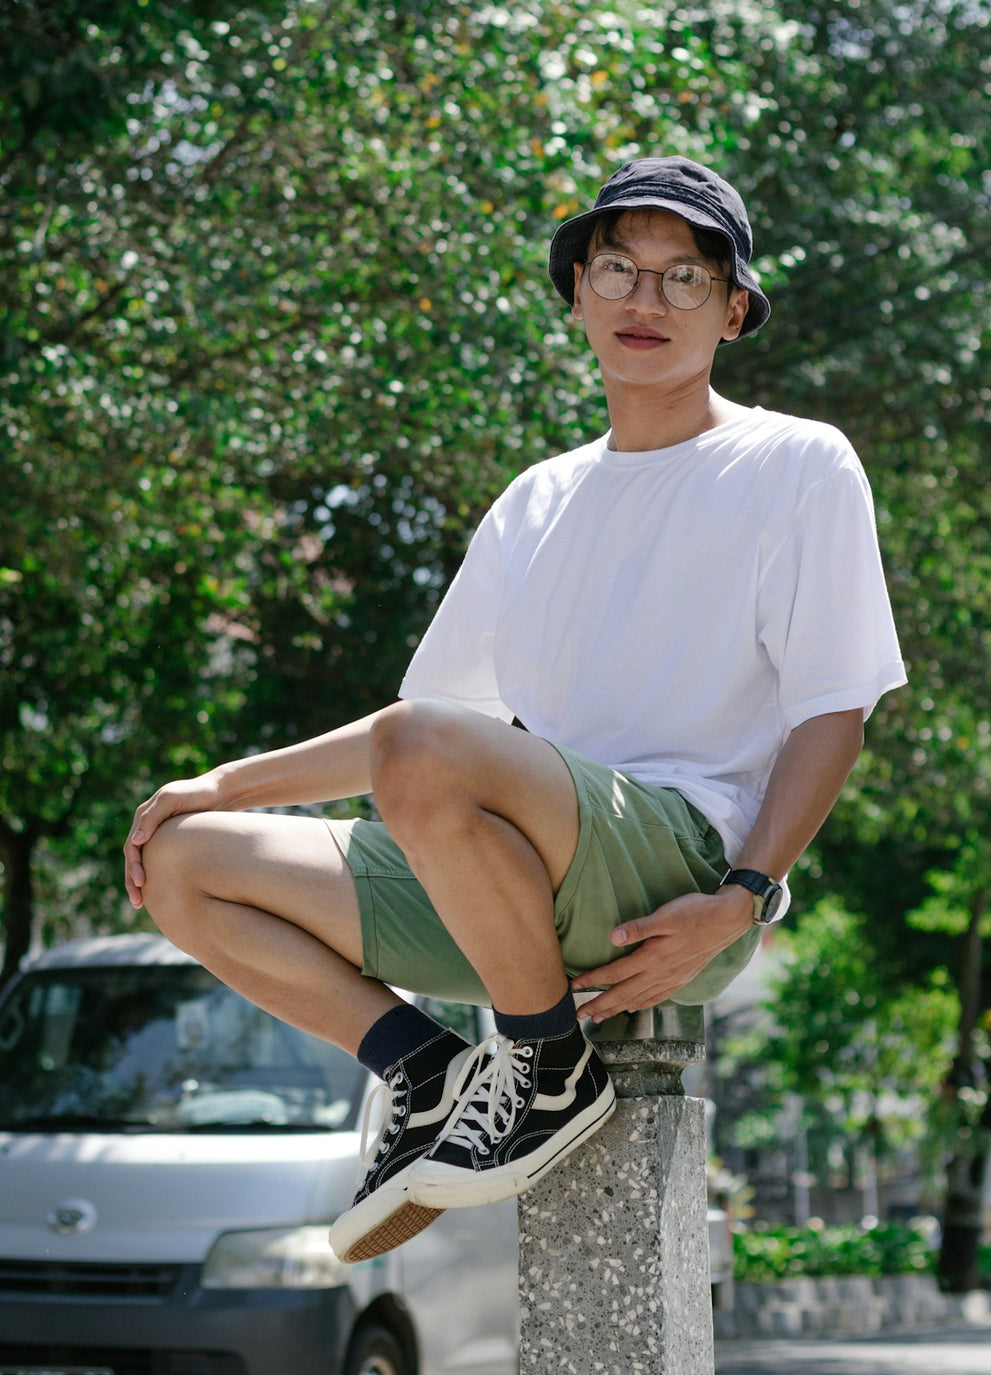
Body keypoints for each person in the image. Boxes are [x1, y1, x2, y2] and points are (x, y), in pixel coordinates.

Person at [123, 155, 906, 1265]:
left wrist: (746, 893)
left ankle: (542, 1065)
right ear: (576, 292)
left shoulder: (792, 463)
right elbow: (417, 734)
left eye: (683, 277)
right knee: (190, 861)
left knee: (425, 750)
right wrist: (217, 785)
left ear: (732, 310)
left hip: (678, 870)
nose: (646, 301)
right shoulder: (537, 499)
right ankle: (426, 1068)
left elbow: (834, 706)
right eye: (618, 270)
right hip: (516, 883)